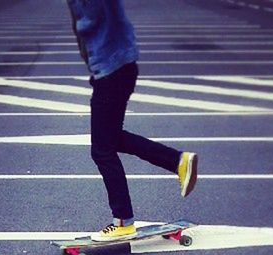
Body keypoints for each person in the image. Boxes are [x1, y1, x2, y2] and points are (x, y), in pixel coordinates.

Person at [66, 0, 198, 242]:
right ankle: (178, 161)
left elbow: (90, 17)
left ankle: (123, 221)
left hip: (111, 71)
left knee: (101, 151)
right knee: (112, 139)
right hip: (119, 67)